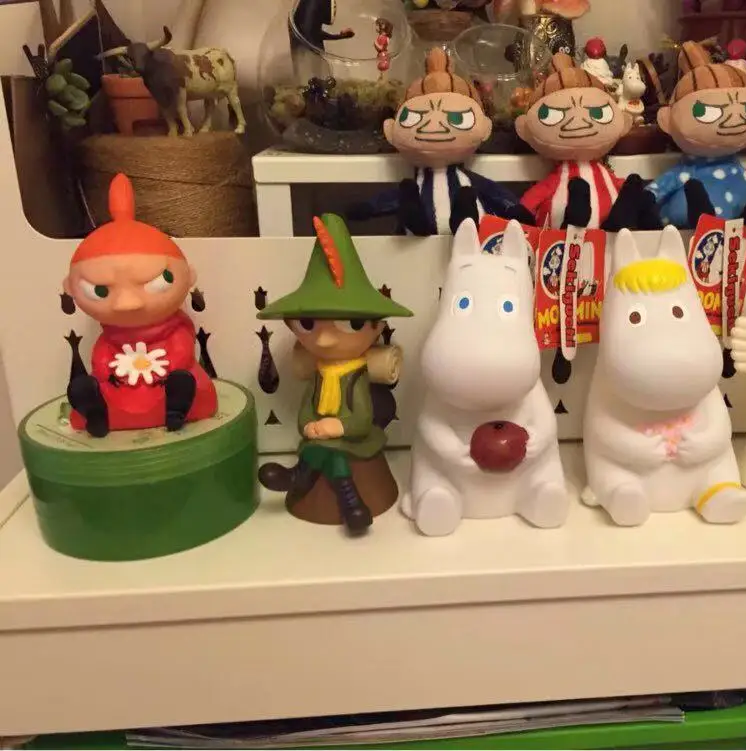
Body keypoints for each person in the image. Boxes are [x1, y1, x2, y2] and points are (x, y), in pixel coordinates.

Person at [257, 214, 413, 536]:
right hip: (323, 438)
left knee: (330, 449)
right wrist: (308, 425)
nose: (326, 340)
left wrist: (336, 426)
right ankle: (351, 503)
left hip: (357, 438)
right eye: (309, 325)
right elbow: (307, 408)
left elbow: (361, 420)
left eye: (351, 324)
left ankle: (299, 477)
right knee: (324, 448)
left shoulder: (356, 378)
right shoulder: (319, 374)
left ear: (377, 328)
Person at [63, 174, 216, 437]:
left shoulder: (176, 329)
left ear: (188, 276)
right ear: (69, 287)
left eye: (157, 282)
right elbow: (102, 355)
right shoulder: (110, 338)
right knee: (94, 388)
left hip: (167, 380)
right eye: (100, 290)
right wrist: (106, 370)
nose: (128, 303)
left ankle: (176, 410)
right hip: (120, 384)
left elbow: (181, 348)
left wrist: (170, 366)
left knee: (188, 384)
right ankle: (96, 411)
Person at [352, 48, 531, 234]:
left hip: (465, 243)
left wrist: (514, 209)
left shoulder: (469, 182)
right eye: (414, 118)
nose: (435, 125)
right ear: (390, 130)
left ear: (485, 128)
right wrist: (369, 207)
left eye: (457, 118)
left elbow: (495, 194)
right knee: (407, 193)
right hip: (418, 243)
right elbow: (389, 199)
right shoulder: (417, 185)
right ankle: (417, 218)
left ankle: (464, 221)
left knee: (466, 196)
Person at [647, 41, 746, 229]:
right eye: (706, 112)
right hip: (687, 234)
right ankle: (704, 220)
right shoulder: (685, 173)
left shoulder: (739, 173)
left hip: (738, 236)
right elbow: (652, 194)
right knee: (694, 195)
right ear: (667, 119)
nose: (735, 119)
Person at [515, 53, 660, 231]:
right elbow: (530, 201)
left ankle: (616, 220)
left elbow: (532, 198)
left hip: (610, 235)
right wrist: (520, 213)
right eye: (552, 115)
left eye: (598, 113)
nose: (580, 122)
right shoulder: (556, 179)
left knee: (632, 191)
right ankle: (575, 221)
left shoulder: (603, 174)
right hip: (562, 240)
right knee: (580, 200)